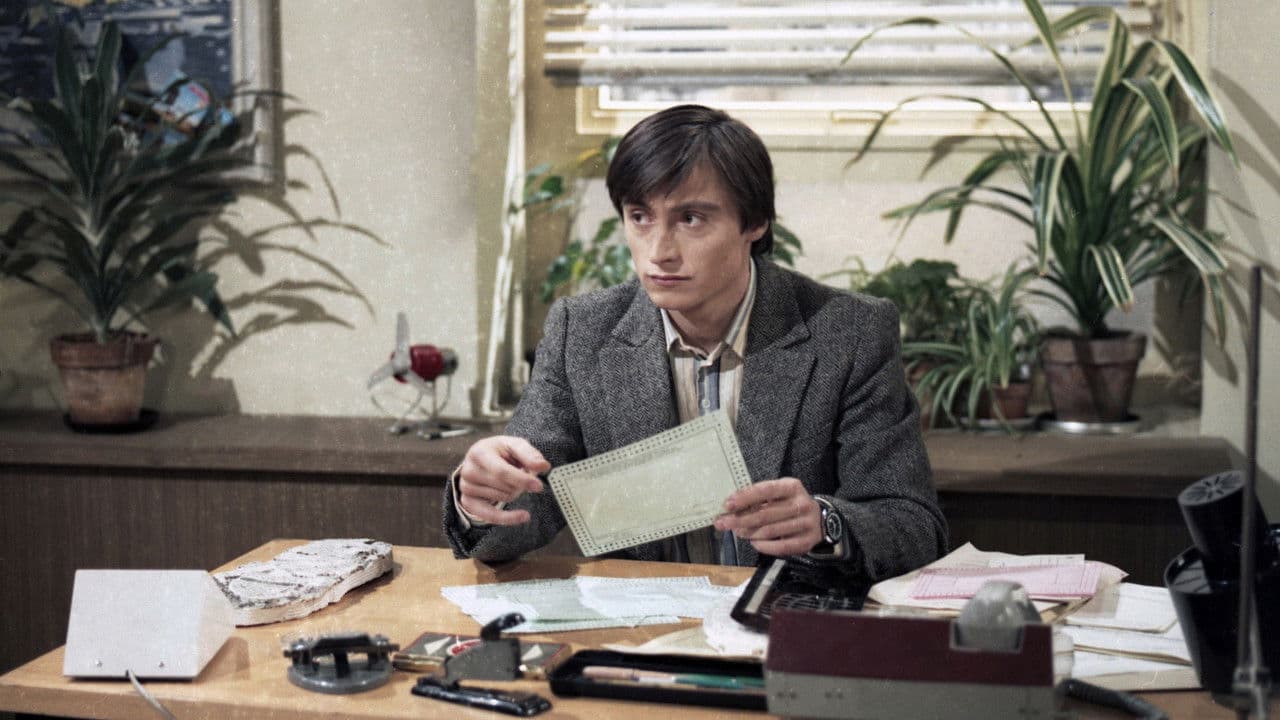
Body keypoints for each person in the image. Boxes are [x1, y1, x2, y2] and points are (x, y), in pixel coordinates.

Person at [443, 104, 946, 583]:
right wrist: (479, 498)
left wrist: (825, 523)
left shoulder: (849, 333)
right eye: (640, 217)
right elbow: (522, 512)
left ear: (755, 223)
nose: (659, 252)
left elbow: (914, 527)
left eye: (691, 219)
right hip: (640, 625)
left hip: (783, 618)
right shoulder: (583, 333)